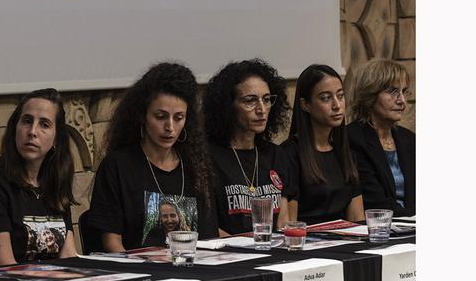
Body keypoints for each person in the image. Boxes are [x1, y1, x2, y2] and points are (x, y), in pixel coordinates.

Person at [89, 62, 218, 252]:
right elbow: (111, 243)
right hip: (138, 274)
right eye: (160, 116)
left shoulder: (196, 167)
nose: (170, 127)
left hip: (193, 272)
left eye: (179, 117)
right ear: (142, 115)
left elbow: (208, 240)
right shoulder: (118, 166)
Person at [0, 88, 78, 265]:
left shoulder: (55, 182)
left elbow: (69, 257)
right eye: (27, 121)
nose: (32, 131)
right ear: (15, 129)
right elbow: (6, 264)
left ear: (56, 138)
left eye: (44, 124)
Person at [203, 59, 294, 235]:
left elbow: (284, 222)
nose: (261, 109)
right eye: (250, 101)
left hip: (271, 252)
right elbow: (207, 226)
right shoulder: (208, 157)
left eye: (266, 100)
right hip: (229, 255)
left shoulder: (276, 154)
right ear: (228, 105)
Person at [280, 64, 364, 225]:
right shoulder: (289, 154)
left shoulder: (346, 153)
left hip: (346, 240)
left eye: (340, 96)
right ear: (305, 105)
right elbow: (290, 225)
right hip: (308, 243)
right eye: (326, 98)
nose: (337, 105)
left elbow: (357, 220)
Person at [345, 59, 415, 216]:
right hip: (380, 228)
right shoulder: (352, 138)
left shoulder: (409, 139)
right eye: (393, 92)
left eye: (404, 92)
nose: (402, 101)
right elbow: (375, 201)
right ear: (370, 95)